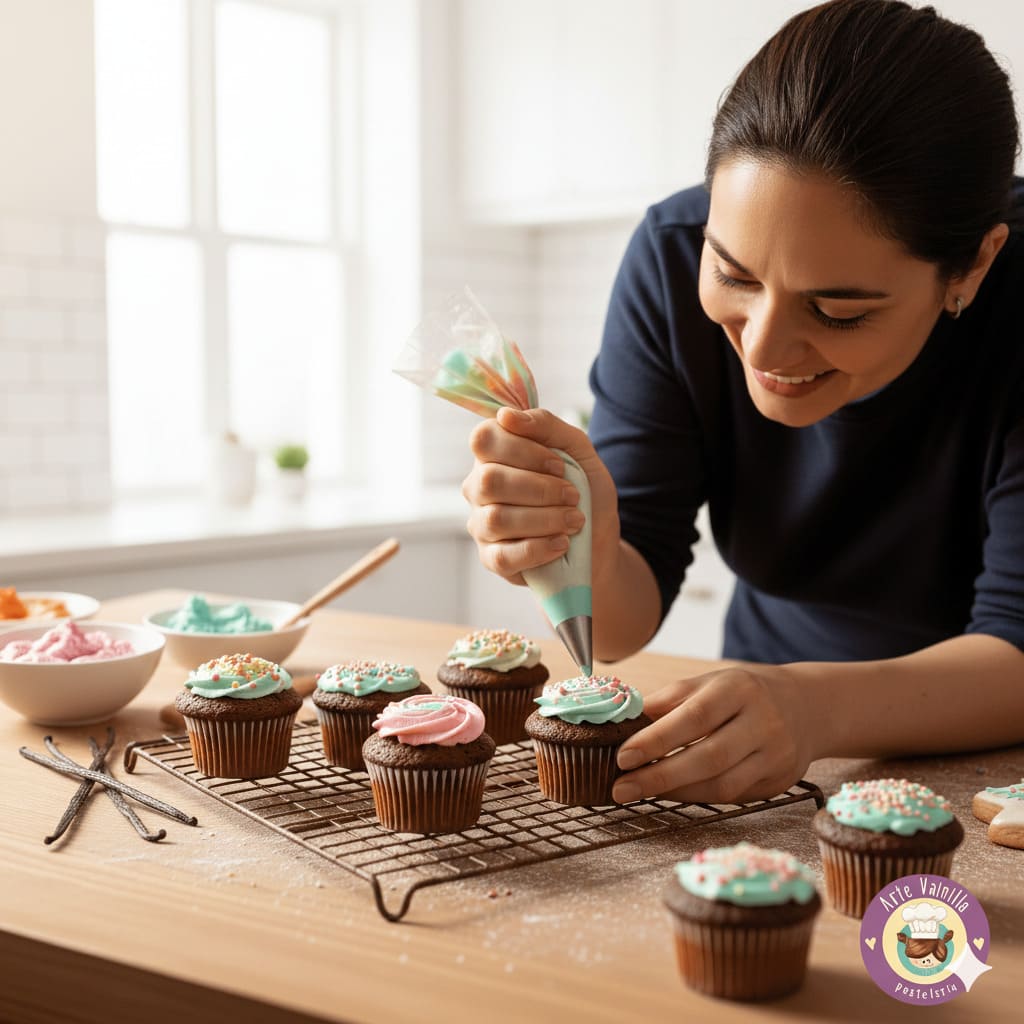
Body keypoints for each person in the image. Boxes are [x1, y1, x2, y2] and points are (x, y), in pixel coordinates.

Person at [460, 0, 1024, 805]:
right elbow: (623, 623)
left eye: (838, 311)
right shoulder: (665, 252)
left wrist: (812, 707)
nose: (760, 349)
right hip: (769, 741)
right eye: (733, 274)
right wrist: (578, 545)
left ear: (972, 268)